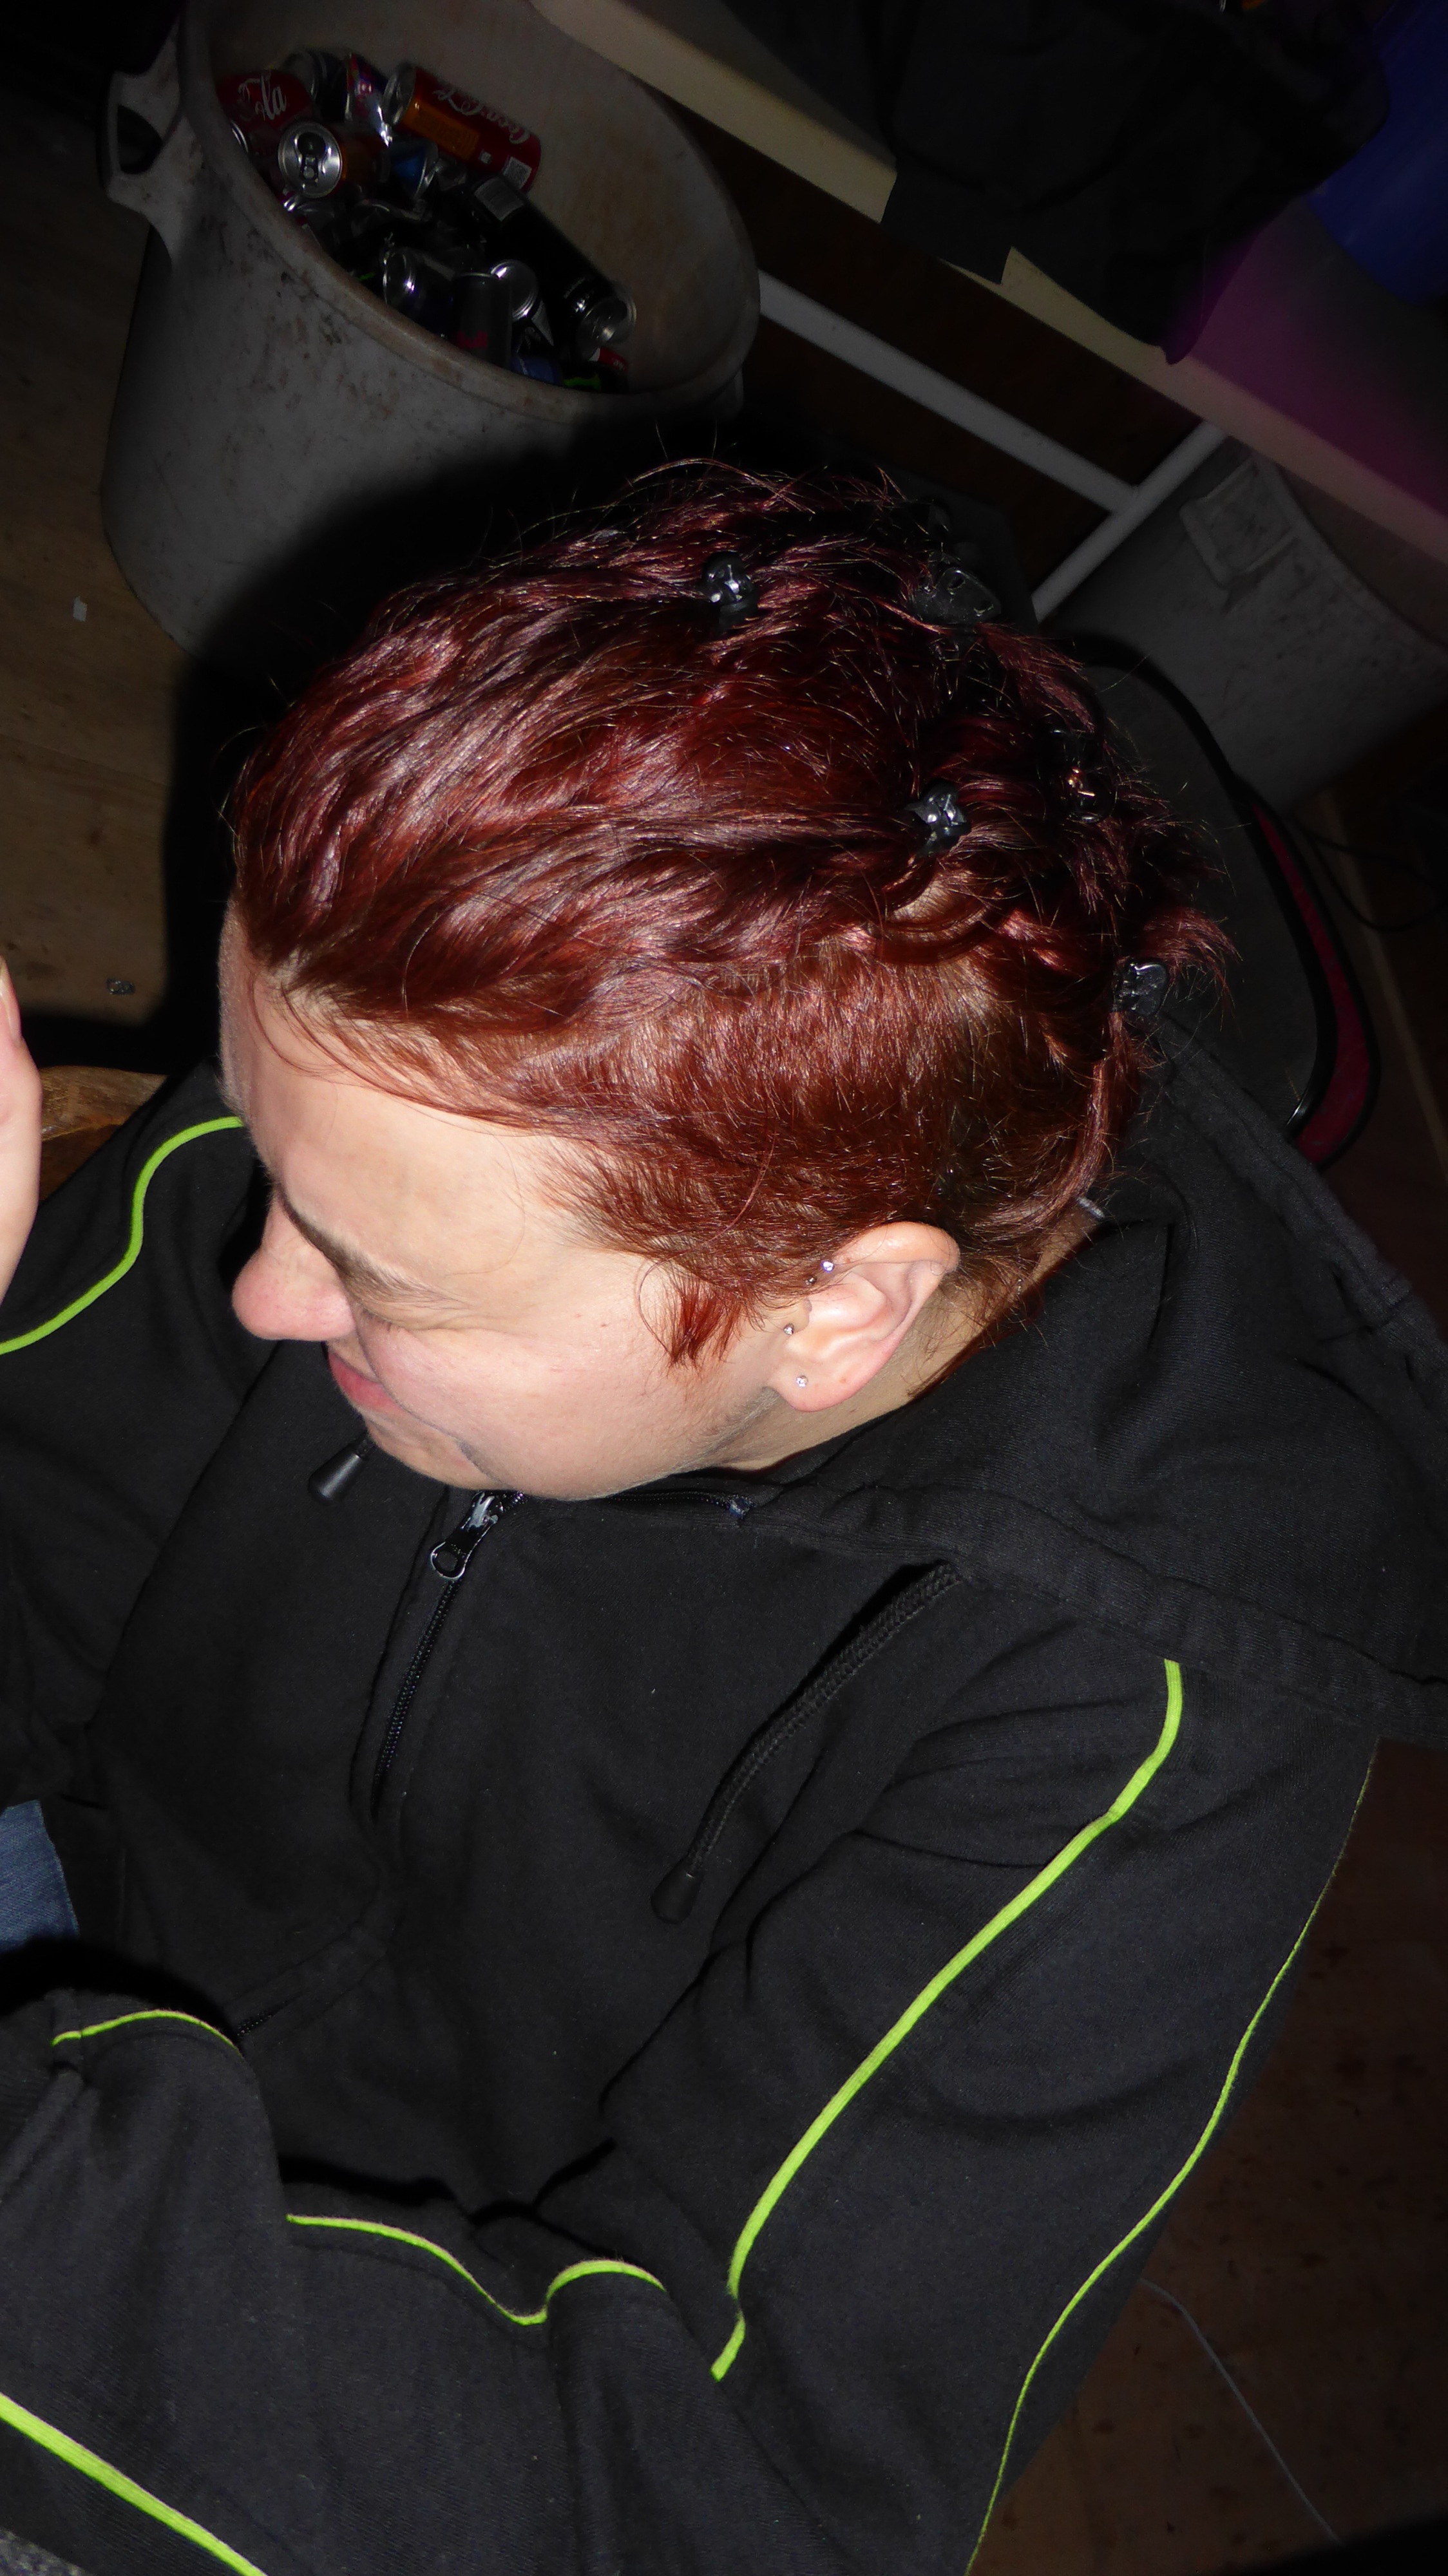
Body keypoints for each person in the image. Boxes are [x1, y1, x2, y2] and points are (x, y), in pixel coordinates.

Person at [0, 468, 1444, 2576]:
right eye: (274, 1163)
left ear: (832, 1308)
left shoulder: (1151, 1716)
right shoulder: (402, 1094)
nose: (262, 1293)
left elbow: (726, 2492)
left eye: (377, 1281)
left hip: (389, 2384)